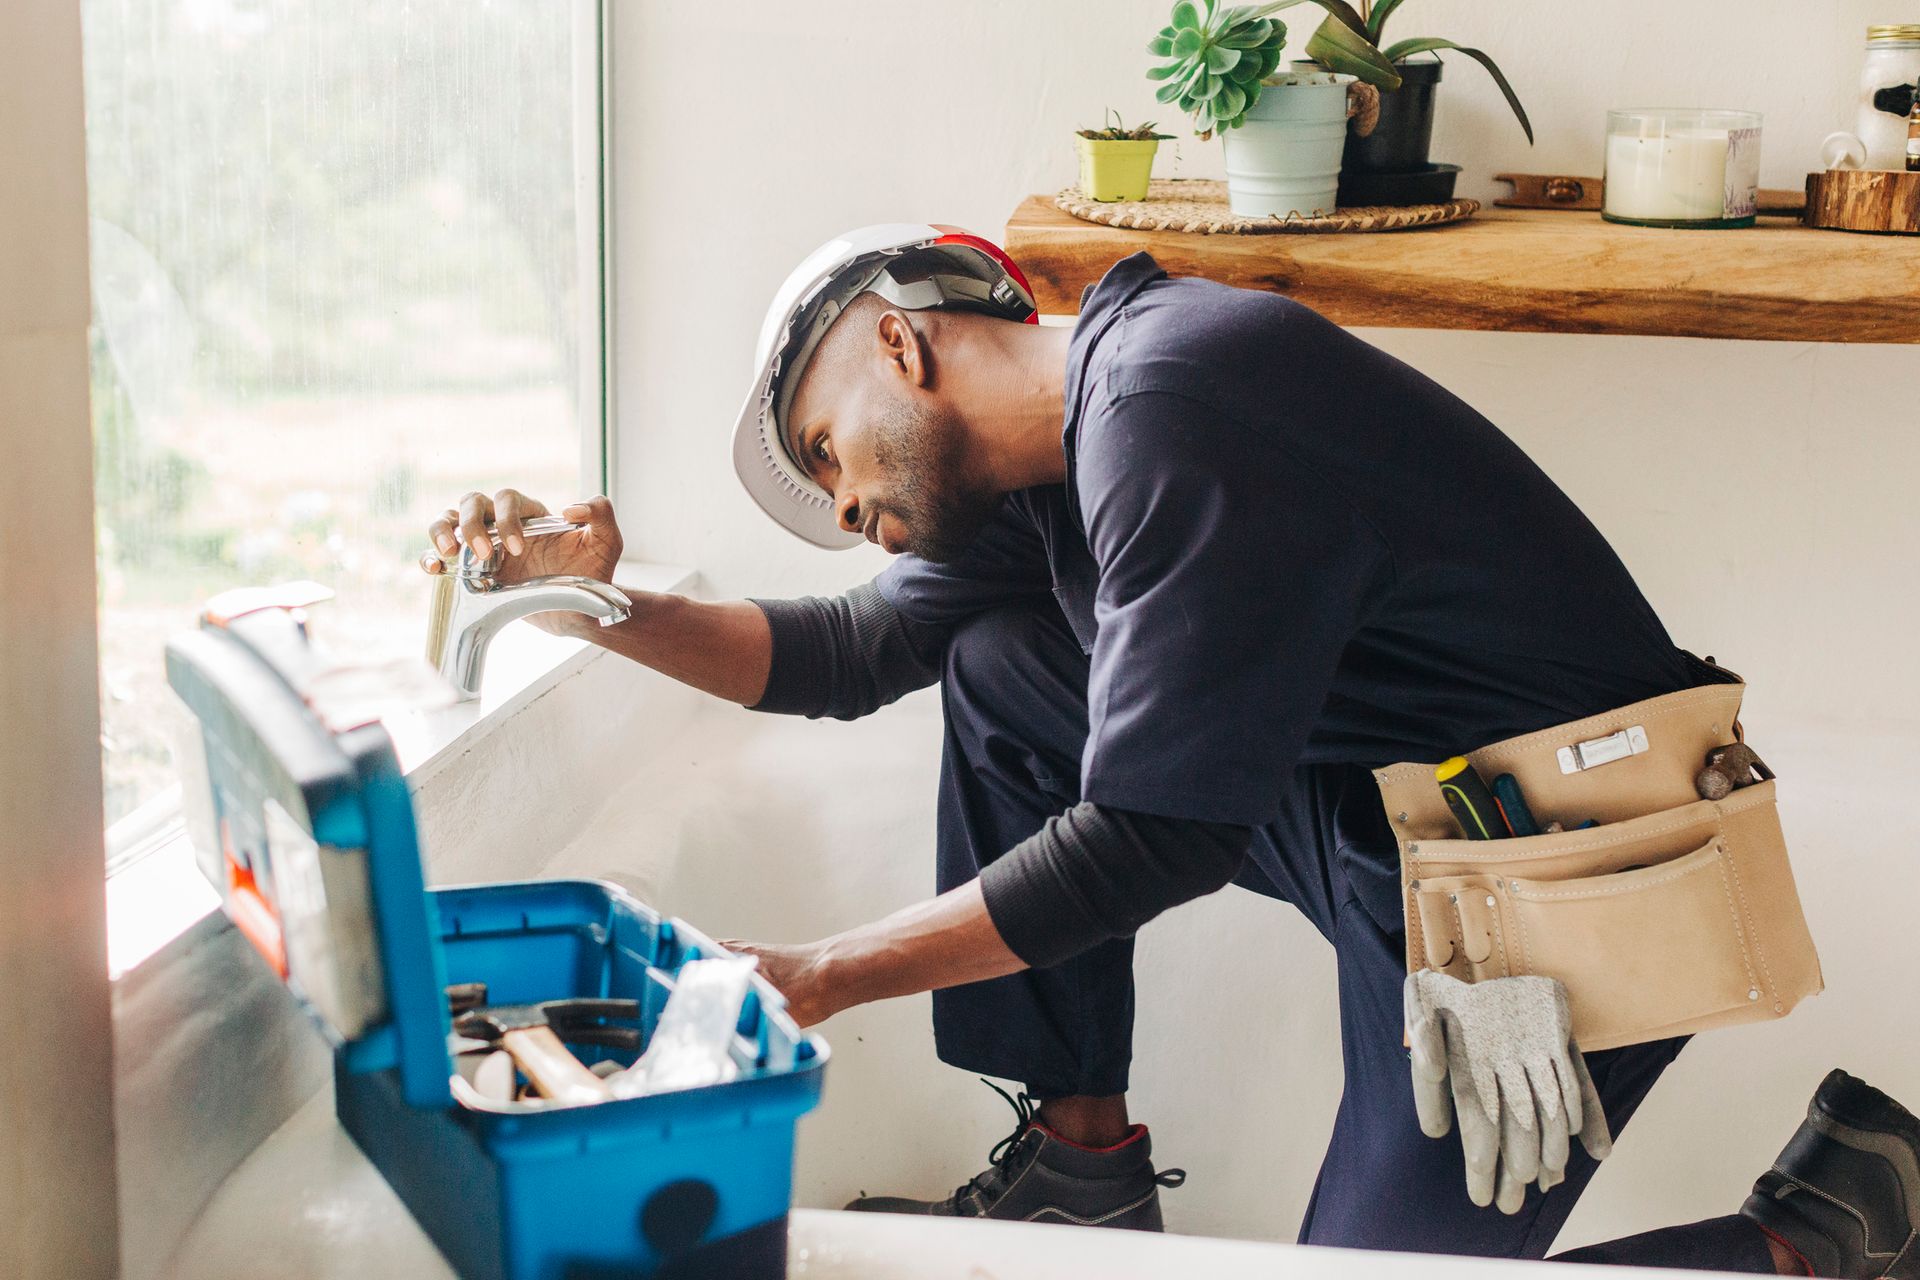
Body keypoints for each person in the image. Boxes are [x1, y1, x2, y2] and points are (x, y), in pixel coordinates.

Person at [424, 227, 1920, 1276]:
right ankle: (1085, 1169)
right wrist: (586, 601)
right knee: (1007, 667)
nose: (839, 508)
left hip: (1564, 881)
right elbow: (835, 659)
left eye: (828, 451)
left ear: (902, 341)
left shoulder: (1181, 398)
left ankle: (1823, 1229)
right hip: (1399, 845)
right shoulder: (1051, 476)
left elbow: (1157, 835)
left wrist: (819, 972)